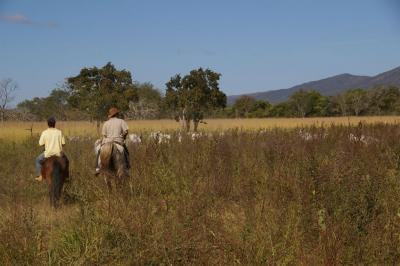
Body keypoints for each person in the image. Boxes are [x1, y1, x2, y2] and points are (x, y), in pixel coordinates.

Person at [95, 107, 130, 175]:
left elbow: (104, 135)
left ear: (110, 115)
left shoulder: (106, 123)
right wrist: (123, 137)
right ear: (117, 114)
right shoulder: (121, 121)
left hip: (107, 142)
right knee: (126, 152)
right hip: (118, 141)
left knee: (99, 151)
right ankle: (127, 167)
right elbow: (126, 131)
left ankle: (97, 168)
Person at [35, 117, 67, 181]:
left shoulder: (44, 132)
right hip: (58, 154)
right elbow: (63, 143)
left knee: (38, 160)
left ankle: (40, 176)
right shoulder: (59, 132)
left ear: (48, 124)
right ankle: (66, 176)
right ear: (55, 124)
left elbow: (40, 143)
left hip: (48, 154)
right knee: (67, 161)